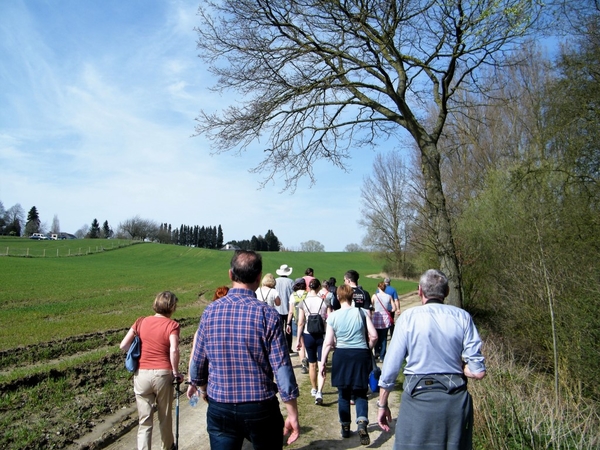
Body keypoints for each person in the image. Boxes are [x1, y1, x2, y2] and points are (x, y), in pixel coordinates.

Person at [187, 250, 300, 449]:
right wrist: (292, 413)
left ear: (231, 274)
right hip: (260, 405)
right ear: (258, 277)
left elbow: (198, 361)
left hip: (220, 403)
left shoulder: (210, 311)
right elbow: (282, 367)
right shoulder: (267, 314)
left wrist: (202, 389)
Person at [377, 269, 487, 450]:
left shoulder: (408, 318)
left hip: (417, 399)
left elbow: (390, 368)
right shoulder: (463, 317)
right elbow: (478, 372)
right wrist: (462, 366)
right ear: (447, 292)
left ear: (420, 291)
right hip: (454, 403)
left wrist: (382, 404)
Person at [119, 291, 181, 450]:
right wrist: (176, 372)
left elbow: (124, 345)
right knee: (164, 418)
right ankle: (167, 447)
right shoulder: (172, 325)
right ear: (172, 307)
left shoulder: (140, 322)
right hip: (162, 374)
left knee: (144, 420)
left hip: (142, 375)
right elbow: (173, 350)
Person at [320, 284, 378, 446]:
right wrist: (367, 349)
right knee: (360, 393)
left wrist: (323, 362)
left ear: (338, 298)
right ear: (353, 297)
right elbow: (373, 336)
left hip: (342, 356)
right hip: (360, 355)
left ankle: (345, 427)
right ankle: (361, 423)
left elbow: (328, 343)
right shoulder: (362, 312)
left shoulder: (333, 316)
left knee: (343, 394)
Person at [296, 278, 332, 405]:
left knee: (312, 364)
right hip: (321, 335)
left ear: (308, 288)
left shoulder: (303, 302)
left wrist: (298, 339)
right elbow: (329, 320)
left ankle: (314, 388)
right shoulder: (324, 301)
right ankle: (320, 392)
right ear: (318, 288)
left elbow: (300, 322)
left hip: (308, 335)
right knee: (321, 364)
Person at [287, 278, 309, 374]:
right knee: (308, 341)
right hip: (308, 321)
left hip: (296, 321)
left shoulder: (293, 295)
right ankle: (308, 358)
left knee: (300, 343)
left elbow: (291, 311)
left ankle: (303, 364)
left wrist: (288, 323)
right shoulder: (308, 294)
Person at [371, 281, 396, 362]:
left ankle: (376, 352)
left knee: (376, 336)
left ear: (378, 287)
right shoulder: (388, 297)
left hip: (376, 317)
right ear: (385, 288)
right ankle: (382, 356)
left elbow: (370, 306)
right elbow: (394, 308)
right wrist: (389, 310)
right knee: (384, 338)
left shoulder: (375, 296)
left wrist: (373, 311)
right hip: (385, 318)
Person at [275, 264, 294, 352]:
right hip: (288, 308)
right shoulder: (290, 282)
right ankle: (289, 348)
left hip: (277, 308)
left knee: (279, 330)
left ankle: (280, 348)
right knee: (288, 328)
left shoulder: (275, 281)